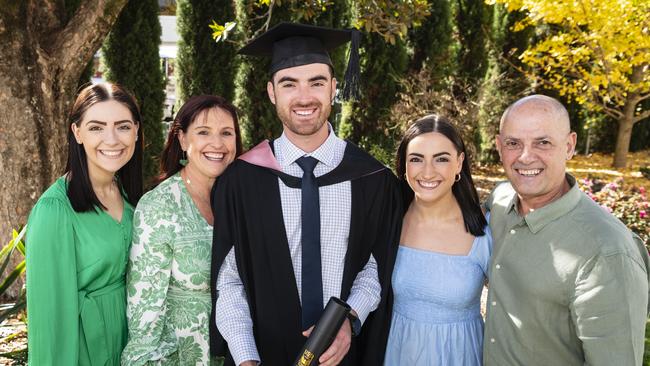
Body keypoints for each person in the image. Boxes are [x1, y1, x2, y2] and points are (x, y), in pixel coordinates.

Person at [209, 22, 402, 366]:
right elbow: (229, 281)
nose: (304, 97)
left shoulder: (374, 180)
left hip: (342, 354)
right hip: (262, 355)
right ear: (271, 92)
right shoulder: (242, 181)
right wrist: (245, 357)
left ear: (333, 88)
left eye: (316, 82)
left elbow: (375, 268)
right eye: (289, 84)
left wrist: (350, 317)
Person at [483, 94, 650, 365]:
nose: (525, 157)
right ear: (499, 146)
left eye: (543, 142)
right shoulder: (500, 201)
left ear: (570, 146)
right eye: (514, 143)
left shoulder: (608, 252)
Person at [25, 83, 143, 365]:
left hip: (127, 341)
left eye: (123, 126)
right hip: (83, 348)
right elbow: (49, 321)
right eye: (96, 127)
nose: (112, 139)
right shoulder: (55, 210)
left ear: (137, 131)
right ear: (77, 133)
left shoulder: (128, 197)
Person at [121, 95, 242, 365]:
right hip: (180, 355)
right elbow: (145, 311)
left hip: (240, 352)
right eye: (203, 132)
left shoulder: (244, 199)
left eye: (226, 133)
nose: (217, 144)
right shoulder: (159, 206)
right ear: (183, 139)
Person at [384, 115, 491, 365]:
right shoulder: (389, 222)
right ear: (404, 166)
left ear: (459, 163)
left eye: (441, 159)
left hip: (459, 355)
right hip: (397, 353)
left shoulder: (484, 232)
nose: (428, 172)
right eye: (416, 159)